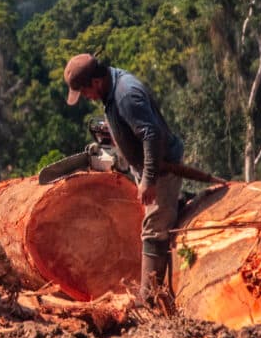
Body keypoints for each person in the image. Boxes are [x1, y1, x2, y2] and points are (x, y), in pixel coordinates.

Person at [63, 53, 184, 306]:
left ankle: (149, 300)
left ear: (95, 82)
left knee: (153, 231)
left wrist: (149, 179)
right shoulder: (110, 88)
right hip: (144, 166)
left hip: (161, 169)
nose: (85, 97)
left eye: (84, 91)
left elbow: (151, 136)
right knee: (150, 221)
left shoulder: (125, 94)